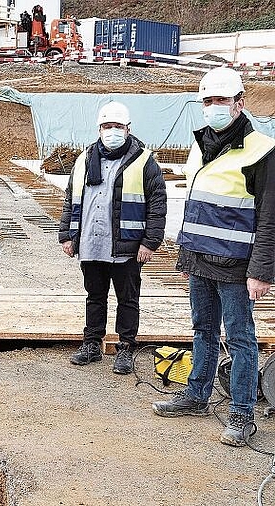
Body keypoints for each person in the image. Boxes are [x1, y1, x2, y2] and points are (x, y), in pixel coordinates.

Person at [152, 67, 275, 446]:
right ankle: (197, 395)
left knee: (240, 338)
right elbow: (195, 206)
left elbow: (270, 218)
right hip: (201, 259)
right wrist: (185, 258)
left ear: (240, 103)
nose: (213, 107)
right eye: (207, 101)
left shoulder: (263, 150)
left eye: (221, 100)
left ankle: (241, 413)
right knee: (202, 330)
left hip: (238, 266)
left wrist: (262, 272)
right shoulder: (199, 144)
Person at [58, 101, 167, 375]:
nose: (112, 131)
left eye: (118, 126)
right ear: (99, 128)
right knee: (95, 297)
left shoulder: (143, 160)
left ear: (128, 129)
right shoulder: (84, 159)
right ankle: (92, 344)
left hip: (127, 247)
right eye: (108, 126)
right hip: (92, 244)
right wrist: (67, 235)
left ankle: (126, 348)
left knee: (127, 299)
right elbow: (71, 199)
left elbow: (157, 204)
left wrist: (150, 242)